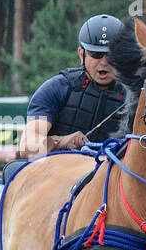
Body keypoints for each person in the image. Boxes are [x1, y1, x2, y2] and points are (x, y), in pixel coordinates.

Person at [21, 14, 128, 158]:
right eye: (96, 54)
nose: (104, 62)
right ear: (81, 54)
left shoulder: (136, 97)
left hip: (113, 175)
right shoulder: (56, 88)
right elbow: (28, 147)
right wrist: (61, 141)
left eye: (111, 55)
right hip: (59, 172)